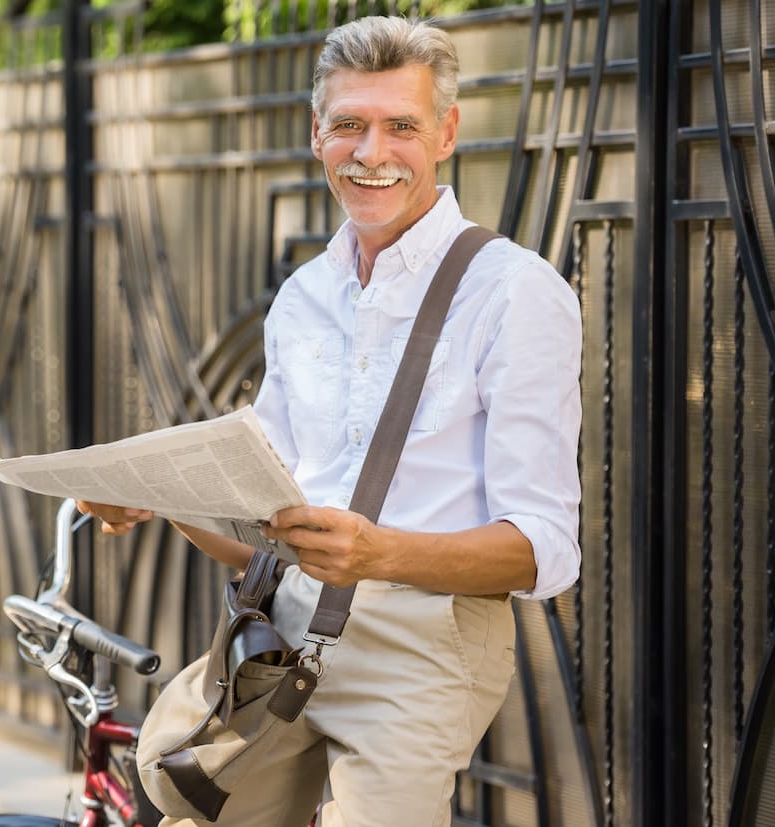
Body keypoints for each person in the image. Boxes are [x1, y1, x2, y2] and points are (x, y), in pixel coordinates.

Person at [78, 14, 581, 827]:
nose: (371, 151)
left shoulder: (516, 294)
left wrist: (380, 552)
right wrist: (152, 495)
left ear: (446, 133)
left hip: (424, 649)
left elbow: (547, 548)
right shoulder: (304, 297)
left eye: (401, 127)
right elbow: (268, 521)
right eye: (349, 124)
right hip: (284, 633)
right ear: (318, 135)